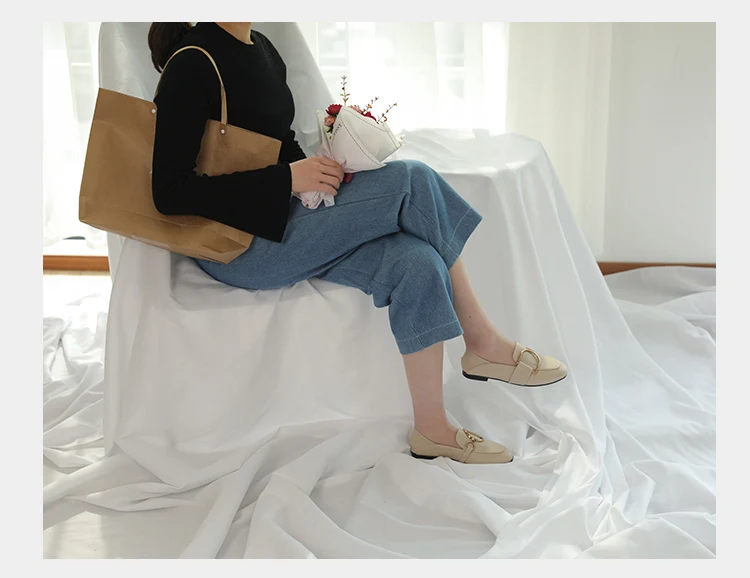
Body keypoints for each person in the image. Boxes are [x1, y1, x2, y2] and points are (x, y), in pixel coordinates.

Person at [147, 22, 568, 465]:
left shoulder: (262, 49)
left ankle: (432, 430)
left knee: (418, 262)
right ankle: (481, 340)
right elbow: (168, 193)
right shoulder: (192, 63)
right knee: (414, 180)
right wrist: (286, 179)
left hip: (285, 221)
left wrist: (324, 172)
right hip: (241, 248)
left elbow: (278, 143)